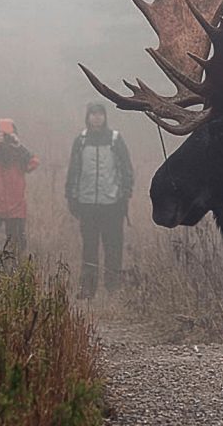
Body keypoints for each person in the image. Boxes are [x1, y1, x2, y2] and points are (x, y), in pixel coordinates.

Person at [65, 102, 134, 298]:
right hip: (87, 205)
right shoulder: (80, 140)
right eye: (93, 114)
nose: (96, 117)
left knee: (113, 246)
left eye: (100, 114)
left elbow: (127, 170)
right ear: (88, 117)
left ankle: (113, 287)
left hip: (112, 205)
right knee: (89, 247)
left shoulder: (115, 139)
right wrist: (71, 197)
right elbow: (73, 171)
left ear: (105, 117)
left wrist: (124, 196)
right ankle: (88, 288)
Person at [0, 118, 39, 272]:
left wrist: (19, 146)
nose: (6, 139)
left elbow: (34, 163)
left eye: (9, 135)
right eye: (3, 135)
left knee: (16, 248)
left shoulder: (20, 155)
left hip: (16, 208)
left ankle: (12, 277)